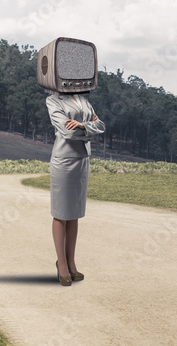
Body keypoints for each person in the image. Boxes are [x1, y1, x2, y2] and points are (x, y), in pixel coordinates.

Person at [46, 91, 105, 286]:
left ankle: (72, 262)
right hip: (64, 160)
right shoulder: (53, 100)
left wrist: (83, 125)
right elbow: (67, 132)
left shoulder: (83, 100)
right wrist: (89, 127)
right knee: (61, 212)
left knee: (74, 213)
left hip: (82, 160)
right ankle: (61, 264)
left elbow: (101, 126)